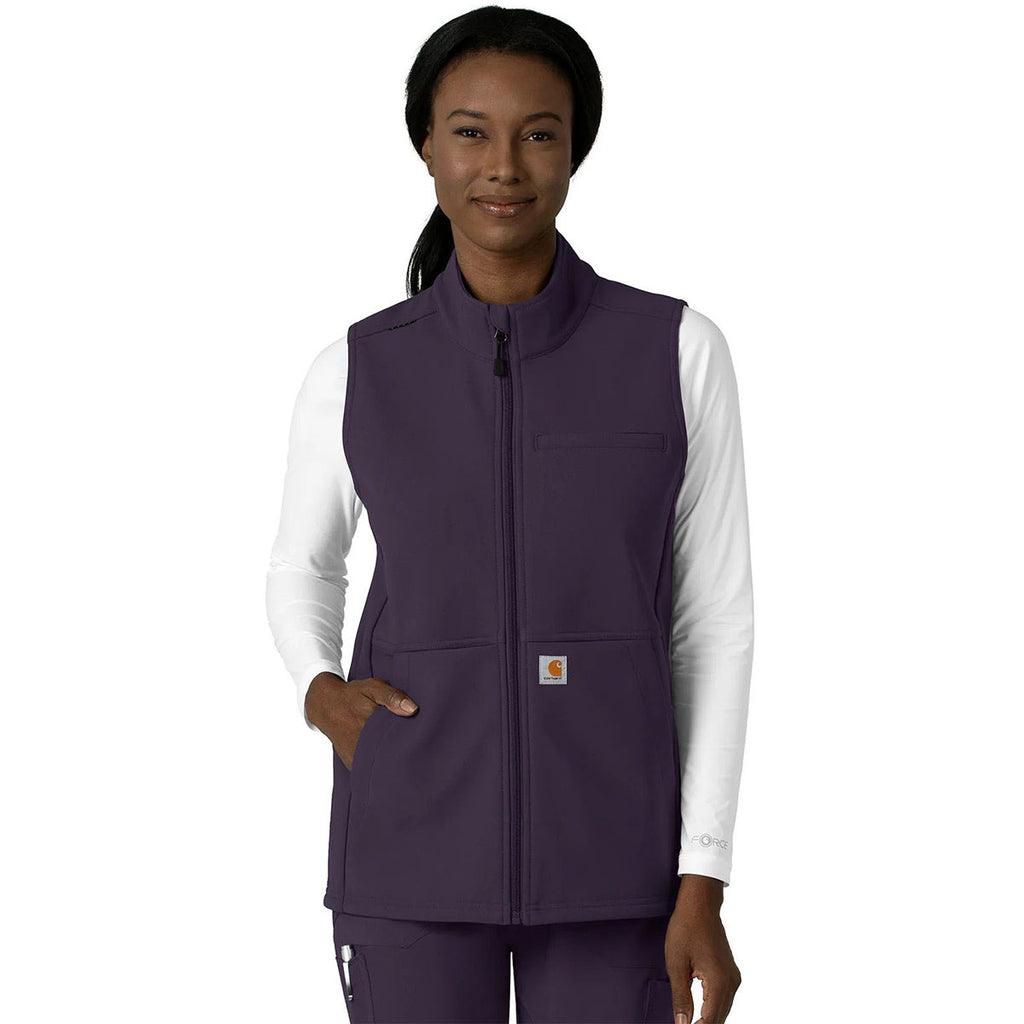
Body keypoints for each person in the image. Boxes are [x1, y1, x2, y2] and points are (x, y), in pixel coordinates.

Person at [265, 7, 754, 1023]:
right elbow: (302, 565)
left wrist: (703, 870)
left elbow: (712, 622)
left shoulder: (676, 350)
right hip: (408, 850)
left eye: (538, 133)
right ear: (426, 147)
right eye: (470, 132)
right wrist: (321, 691)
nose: (504, 166)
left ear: (575, 148)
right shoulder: (355, 368)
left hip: (619, 862)